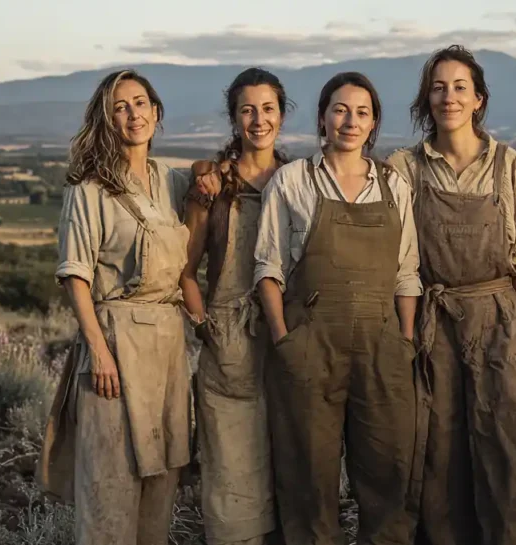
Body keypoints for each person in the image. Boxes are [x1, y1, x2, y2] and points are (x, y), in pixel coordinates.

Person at [386, 45, 516, 545]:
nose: (448, 96)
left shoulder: (508, 163)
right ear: (425, 98)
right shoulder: (405, 166)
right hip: (436, 321)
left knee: (512, 446)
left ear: (478, 98)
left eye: (460, 87)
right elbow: (402, 263)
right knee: (441, 449)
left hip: (501, 319)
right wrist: (410, 336)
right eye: (438, 87)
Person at [253, 71, 422, 545]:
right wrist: (285, 340)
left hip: (382, 348)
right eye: (340, 110)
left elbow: (407, 272)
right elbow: (268, 268)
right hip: (310, 348)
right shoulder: (293, 181)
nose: (351, 121)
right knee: (308, 477)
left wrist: (404, 340)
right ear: (323, 119)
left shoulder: (394, 186)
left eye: (362, 112)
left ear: (373, 124)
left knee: (388, 472)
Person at [37, 69, 192, 545]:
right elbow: (75, 276)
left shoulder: (171, 182)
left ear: (156, 111)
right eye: (120, 106)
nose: (133, 114)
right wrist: (99, 351)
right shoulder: (88, 190)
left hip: (168, 346)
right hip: (116, 344)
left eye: (140, 102)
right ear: (106, 119)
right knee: (110, 483)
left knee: (160, 486)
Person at [179, 68, 293, 545]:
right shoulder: (212, 185)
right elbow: (184, 269)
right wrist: (206, 325)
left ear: (282, 116)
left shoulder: (298, 180)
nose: (258, 119)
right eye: (247, 109)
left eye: (267, 108)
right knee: (230, 473)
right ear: (234, 118)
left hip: (285, 343)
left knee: (283, 468)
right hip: (227, 346)